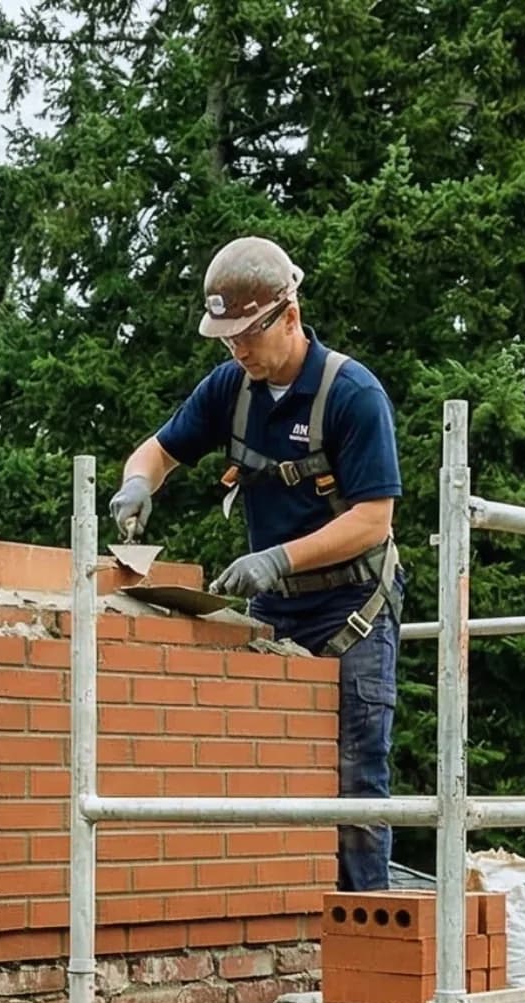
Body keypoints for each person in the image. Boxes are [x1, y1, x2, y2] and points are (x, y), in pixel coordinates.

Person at [110, 236, 405, 892]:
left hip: (351, 608)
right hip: (276, 606)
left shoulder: (351, 394)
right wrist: (138, 484)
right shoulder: (230, 389)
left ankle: (367, 939)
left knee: (356, 779)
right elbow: (157, 451)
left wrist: (277, 557)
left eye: (246, 334)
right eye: (226, 339)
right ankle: (289, 934)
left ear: (288, 315)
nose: (237, 350)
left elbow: (373, 520)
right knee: (269, 763)